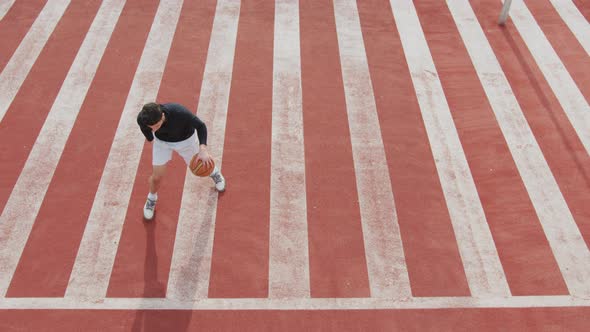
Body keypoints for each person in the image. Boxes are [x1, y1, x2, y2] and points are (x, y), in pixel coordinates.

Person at [137, 102, 225, 220]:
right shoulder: (144, 120)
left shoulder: (179, 112)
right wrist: (153, 141)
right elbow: (147, 132)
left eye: (157, 126)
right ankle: (151, 198)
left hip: (186, 141)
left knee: (202, 164)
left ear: (162, 116)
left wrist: (203, 149)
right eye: (151, 127)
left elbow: (201, 126)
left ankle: (214, 172)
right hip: (162, 143)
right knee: (156, 177)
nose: (153, 129)